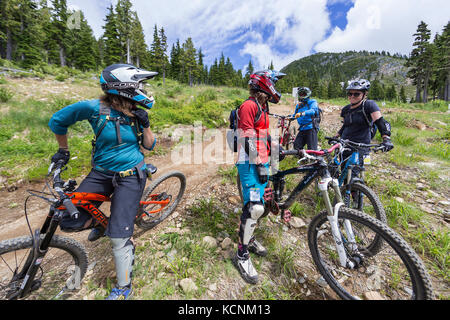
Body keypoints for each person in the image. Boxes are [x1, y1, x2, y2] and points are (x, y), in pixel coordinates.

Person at [48, 64, 158, 300]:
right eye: (139, 85)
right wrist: (63, 151)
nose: (144, 90)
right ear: (125, 87)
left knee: (118, 237)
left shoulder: (136, 111)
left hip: (131, 174)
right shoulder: (94, 108)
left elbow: (148, 145)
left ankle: (123, 286)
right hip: (101, 173)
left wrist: (146, 124)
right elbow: (58, 121)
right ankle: (103, 225)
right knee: (69, 219)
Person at [233, 70, 285, 284]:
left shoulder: (263, 106)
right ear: (265, 84)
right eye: (273, 82)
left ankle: (250, 238)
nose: (275, 86)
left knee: (260, 204)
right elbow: (246, 136)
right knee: (254, 207)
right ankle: (241, 254)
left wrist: (274, 148)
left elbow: (260, 132)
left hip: (261, 160)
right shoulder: (249, 105)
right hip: (249, 162)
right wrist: (260, 166)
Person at [335, 79, 394, 176]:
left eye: (356, 94)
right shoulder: (345, 109)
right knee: (344, 172)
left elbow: (380, 122)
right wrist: (336, 136)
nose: (352, 96)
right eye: (350, 94)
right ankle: (344, 189)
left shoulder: (368, 105)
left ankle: (356, 190)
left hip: (360, 145)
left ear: (364, 94)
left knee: (353, 174)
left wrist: (386, 138)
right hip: (345, 143)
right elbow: (345, 125)